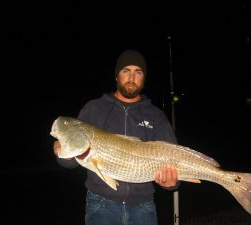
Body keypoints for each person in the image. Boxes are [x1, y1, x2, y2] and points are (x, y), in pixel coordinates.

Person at [53, 49, 179, 225]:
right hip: (100, 206)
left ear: (144, 78)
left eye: (138, 72)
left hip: (144, 208)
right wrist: (60, 151)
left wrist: (170, 182)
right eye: (125, 71)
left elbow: (173, 168)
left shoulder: (156, 116)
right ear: (116, 76)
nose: (131, 77)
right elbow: (70, 161)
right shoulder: (94, 109)